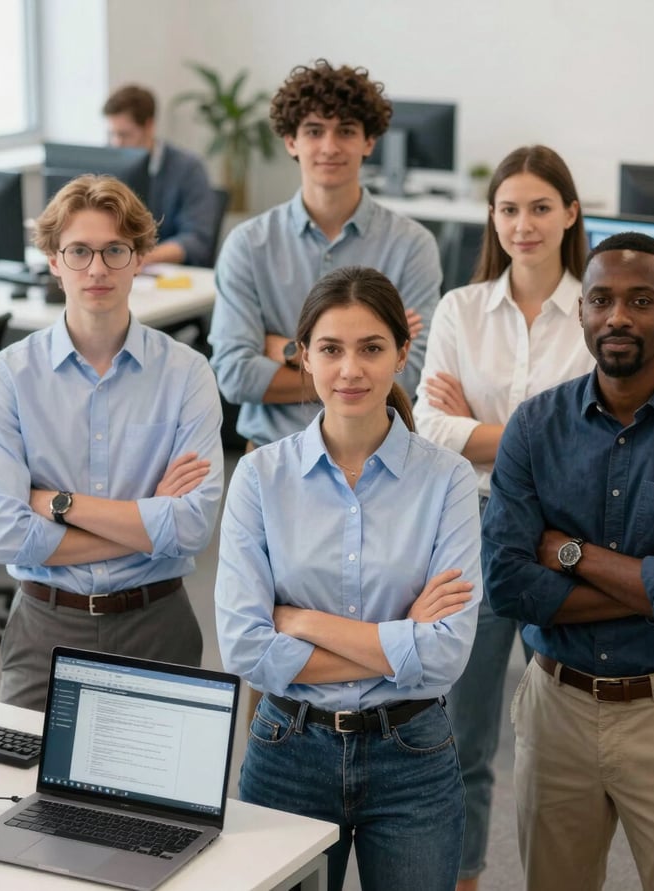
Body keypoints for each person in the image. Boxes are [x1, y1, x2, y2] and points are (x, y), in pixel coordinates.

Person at [215, 266, 481, 891]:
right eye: (331, 350)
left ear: (401, 354)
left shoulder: (448, 480)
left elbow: (445, 655)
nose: (350, 370)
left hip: (412, 752)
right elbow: (246, 649)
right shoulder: (259, 478)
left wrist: (303, 623)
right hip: (289, 750)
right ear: (305, 357)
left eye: (371, 348)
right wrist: (399, 640)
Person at [483, 231, 654, 891]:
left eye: (641, 300)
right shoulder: (534, 426)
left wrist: (570, 552)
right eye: (602, 300)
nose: (618, 316)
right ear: (582, 310)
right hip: (556, 707)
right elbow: (506, 584)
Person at [0, 174, 224, 710]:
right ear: (54, 261)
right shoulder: (8, 376)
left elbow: (194, 525)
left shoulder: (187, 373)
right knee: (17, 791)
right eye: (79, 252)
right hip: (45, 625)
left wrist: (60, 505)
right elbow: (4, 538)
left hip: (158, 622)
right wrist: (149, 521)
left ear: (140, 258)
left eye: (114, 250)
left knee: (156, 794)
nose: (97, 269)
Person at [413, 144, 595, 891]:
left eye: (541, 207)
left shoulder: (597, 309)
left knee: (573, 735)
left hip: (572, 535)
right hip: (473, 528)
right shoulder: (461, 308)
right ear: (492, 217)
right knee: (465, 730)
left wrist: (488, 430)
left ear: (570, 214)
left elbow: (595, 448)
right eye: (510, 208)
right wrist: (541, 433)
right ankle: (463, 876)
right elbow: (429, 427)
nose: (524, 223)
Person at [208, 59, 441, 450]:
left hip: (379, 458)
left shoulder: (412, 245)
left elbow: (410, 374)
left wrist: (282, 349)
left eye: (345, 131)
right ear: (291, 141)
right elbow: (234, 375)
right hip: (271, 453)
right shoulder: (247, 244)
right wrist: (366, 369)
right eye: (314, 131)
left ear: (369, 142)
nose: (330, 147)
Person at [103, 84, 216, 266]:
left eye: (124, 135)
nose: (117, 144)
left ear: (149, 126)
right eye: (112, 135)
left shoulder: (188, 169)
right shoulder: (108, 166)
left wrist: (144, 257)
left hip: (168, 276)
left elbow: (197, 239)